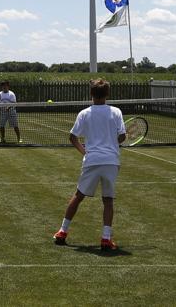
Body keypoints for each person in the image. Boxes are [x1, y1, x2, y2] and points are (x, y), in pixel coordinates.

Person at [53, 79, 125, 251]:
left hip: (92, 161)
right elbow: (122, 137)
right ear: (107, 94)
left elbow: (72, 137)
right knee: (108, 201)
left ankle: (62, 232)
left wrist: (85, 152)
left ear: (91, 94)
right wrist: (112, 142)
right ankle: (106, 239)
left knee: (78, 196)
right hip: (111, 161)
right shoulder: (116, 112)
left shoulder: (84, 113)